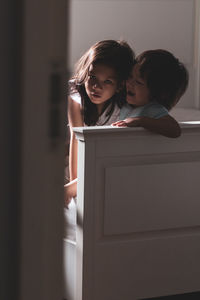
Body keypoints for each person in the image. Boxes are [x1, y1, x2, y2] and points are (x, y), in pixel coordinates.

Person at [65, 39, 135, 207]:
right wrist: (75, 186)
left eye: (107, 81)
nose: (96, 87)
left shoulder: (123, 108)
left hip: (103, 156)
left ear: (119, 85)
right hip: (78, 152)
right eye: (93, 77)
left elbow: (112, 155)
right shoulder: (76, 94)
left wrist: (73, 187)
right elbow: (76, 137)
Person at [112, 49, 189, 137]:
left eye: (138, 82)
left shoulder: (152, 109)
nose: (129, 83)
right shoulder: (126, 105)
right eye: (130, 76)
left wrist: (141, 121)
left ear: (158, 93)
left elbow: (175, 130)